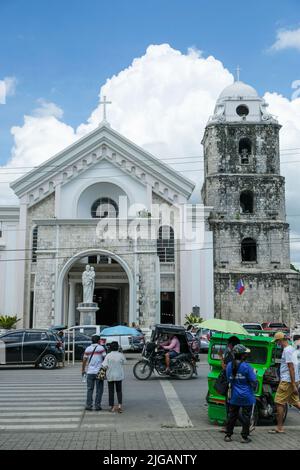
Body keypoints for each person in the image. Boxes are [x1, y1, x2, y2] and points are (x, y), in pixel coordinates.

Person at [224, 344, 257, 444]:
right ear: (242, 355)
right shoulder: (247, 366)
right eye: (245, 353)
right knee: (246, 416)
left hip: (234, 395)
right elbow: (253, 381)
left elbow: (229, 379)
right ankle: (244, 437)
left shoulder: (229, 365)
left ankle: (228, 435)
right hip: (247, 396)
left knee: (232, 415)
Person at [269, 331, 300, 434]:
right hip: (292, 380)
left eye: (278, 341)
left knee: (279, 402)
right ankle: (279, 427)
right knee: (296, 402)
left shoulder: (287, 351)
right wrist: (295, 383)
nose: (277, 344)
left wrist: (292, 384)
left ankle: (279, 427)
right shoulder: (292, 348)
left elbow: (291, 368)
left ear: (281, 340)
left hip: (287, 381)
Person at [81, 334, 106, 411]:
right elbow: (105, 359)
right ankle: (97, 405)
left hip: (90, 372)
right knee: (99, 389)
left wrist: (83, 370)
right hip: (99, 371)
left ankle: (89, 405)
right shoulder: (101, 348)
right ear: (99, 341)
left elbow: (84, 360)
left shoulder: (88, 349)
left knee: (90, 389)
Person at [102, 341, 126, 413]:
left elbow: (104, 365)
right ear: (118, 347)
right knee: (119, 391)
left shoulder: (108, 355)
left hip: (110, 375)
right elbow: (124, 362)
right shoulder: (121, 355)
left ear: (110, 348)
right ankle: (119, 406)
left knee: (111, 391)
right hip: (119, 375)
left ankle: (112, 407)